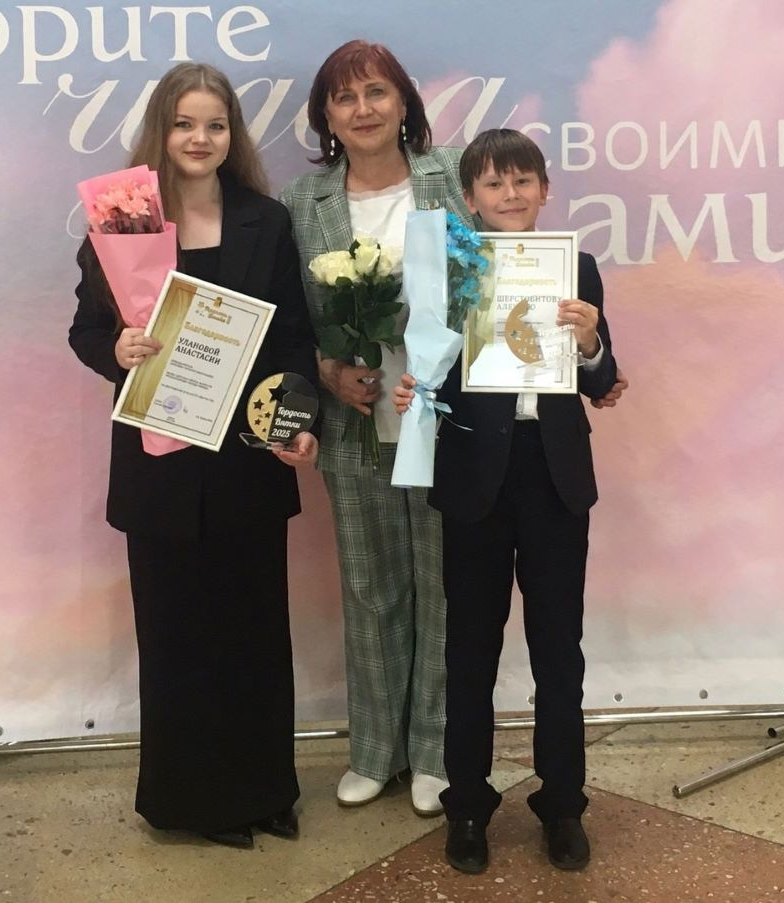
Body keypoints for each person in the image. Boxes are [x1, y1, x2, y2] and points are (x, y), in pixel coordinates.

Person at [69, 63, 319, 849]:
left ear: (231, 134)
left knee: (255, 631)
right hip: (161, 461)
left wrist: (297, 420)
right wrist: (116, 349)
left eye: (214, 124)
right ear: (162, 131)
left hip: (246, 457)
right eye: (184, 123)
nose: (199, 138)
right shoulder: (122, 224)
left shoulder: (265, 221)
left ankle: (267, 791)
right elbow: (84, 331)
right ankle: (192, 802)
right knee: (178, 637)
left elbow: (293, 338)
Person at [394, 128, 618, 873]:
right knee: (470, 650)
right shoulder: (450, 269)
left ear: (545, 190)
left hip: (555, 478)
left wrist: (590, 343)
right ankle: (467, 804)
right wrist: (415, 391)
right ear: (470, 198)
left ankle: (564, 804)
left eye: (523, 180)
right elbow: (429, 365)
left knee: (559, 650)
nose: (510, 194)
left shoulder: (576, 266)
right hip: (475, 477)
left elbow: (600, 379)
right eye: (493, 183)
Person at [280, 40, 474, 816]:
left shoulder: (453, 176)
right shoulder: (303, 202)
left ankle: (433, 751)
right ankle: (374, 750)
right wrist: (328, 370)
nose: (362, 109)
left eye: (376, 92)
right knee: (368, 587)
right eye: (344, 97)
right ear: (326, 117)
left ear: (404, 103)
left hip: (443, 415)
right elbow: (290, 315)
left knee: (443, 585)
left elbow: (494, 279)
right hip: (354, 419)